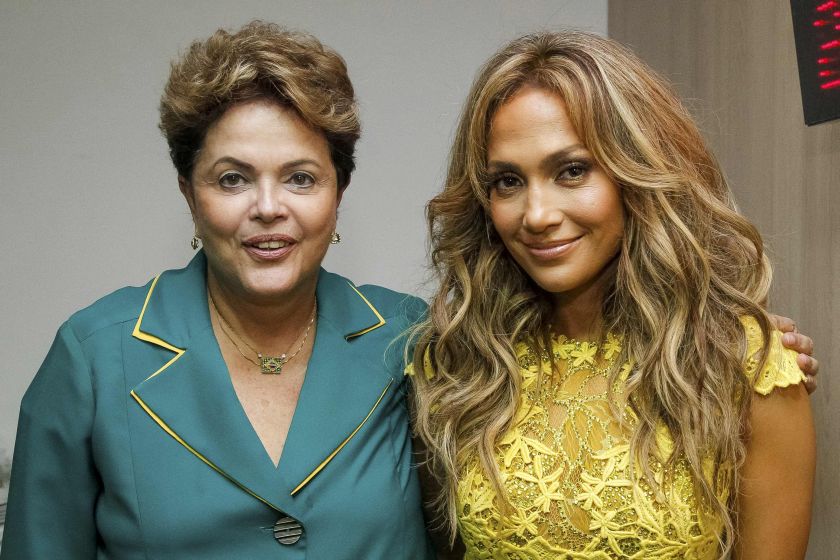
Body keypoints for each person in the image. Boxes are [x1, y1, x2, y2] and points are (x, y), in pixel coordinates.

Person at [1, 22, 432, 559]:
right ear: (189, 193)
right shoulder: (94, 355)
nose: (269, 207)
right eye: (233, 179)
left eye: (301, 177)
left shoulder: (412, 340)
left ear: (338, 192)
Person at [410, 31, 816, 559]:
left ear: (637, 172)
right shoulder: (463, 364)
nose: (536, 215)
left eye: (572, 170)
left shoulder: (747, 365)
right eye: (508, 181)